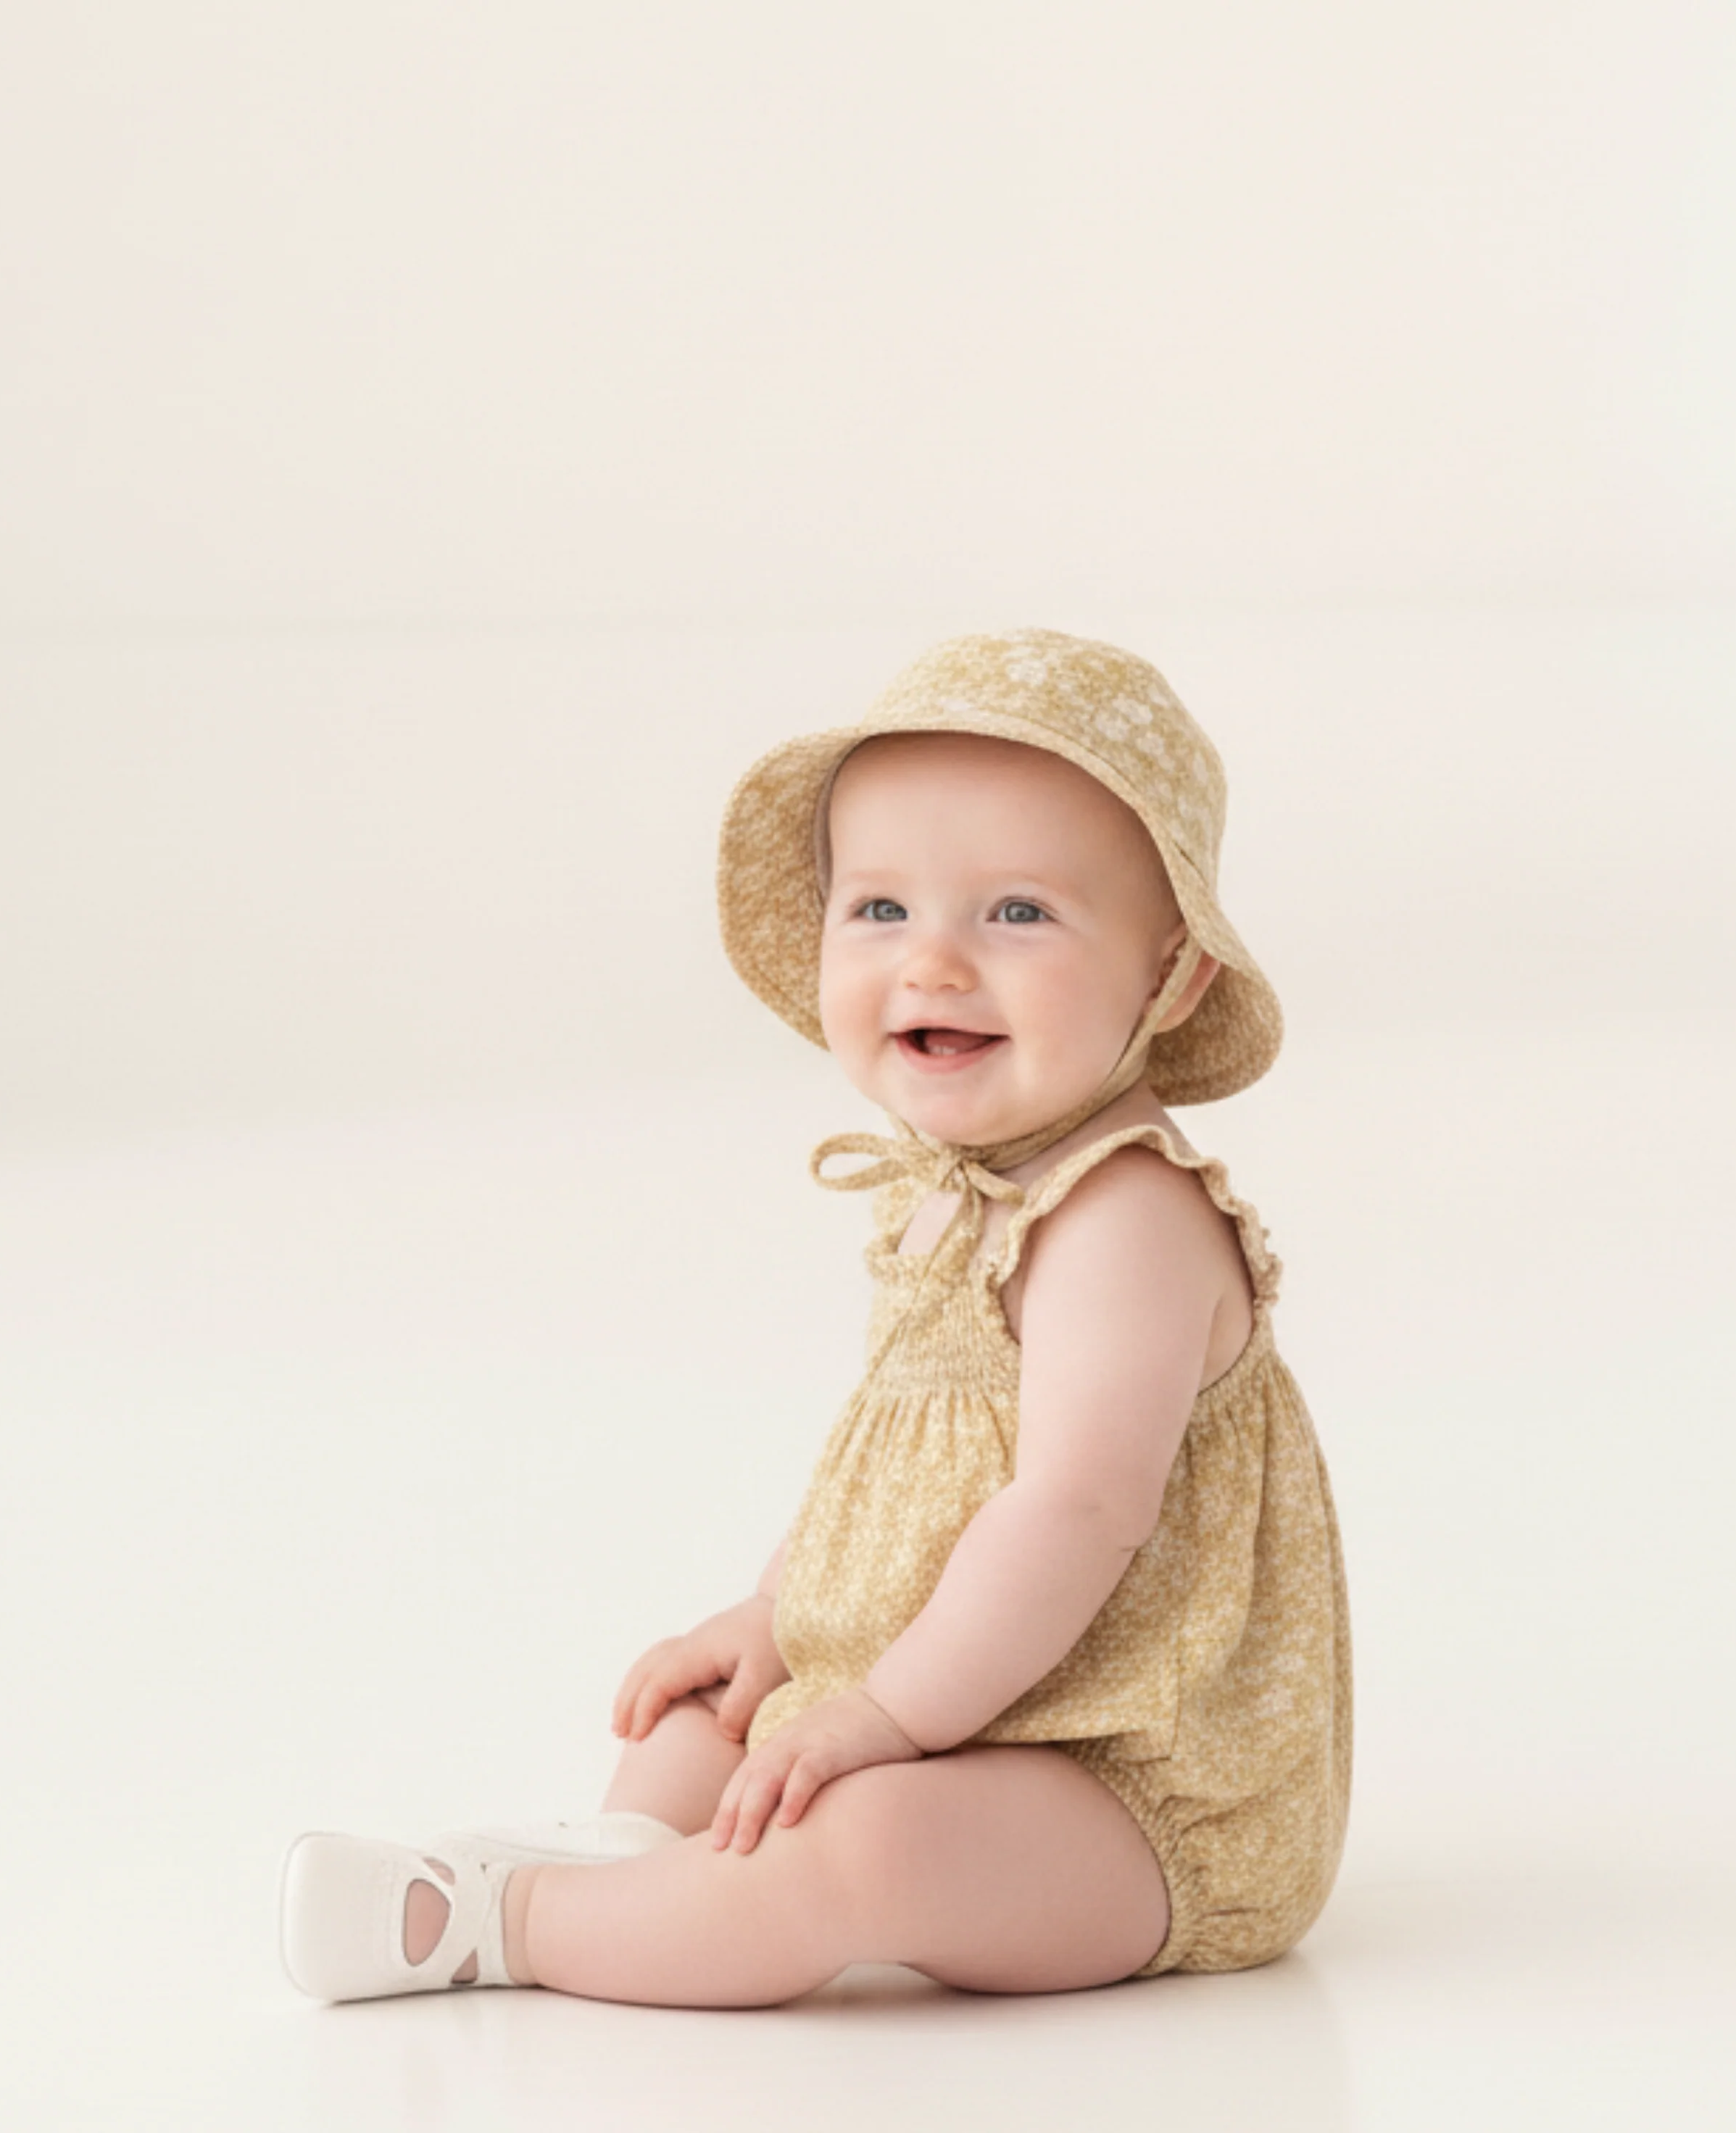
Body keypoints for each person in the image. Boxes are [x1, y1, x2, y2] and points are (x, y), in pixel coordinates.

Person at [280, 628, 1353, 2006]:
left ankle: (518, 1925)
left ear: (1171, 979)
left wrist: (885, 1717)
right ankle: (628, 1867)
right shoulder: (951, 1197)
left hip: (1133, 1791)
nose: (936, 965)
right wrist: (778, 1620)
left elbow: (1074, 1512)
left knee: (863, 1842)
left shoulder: (1124, 1221)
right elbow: (885, 1467)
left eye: (1018, 913)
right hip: (945, 1700)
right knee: (703, 1724)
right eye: (882, 910)